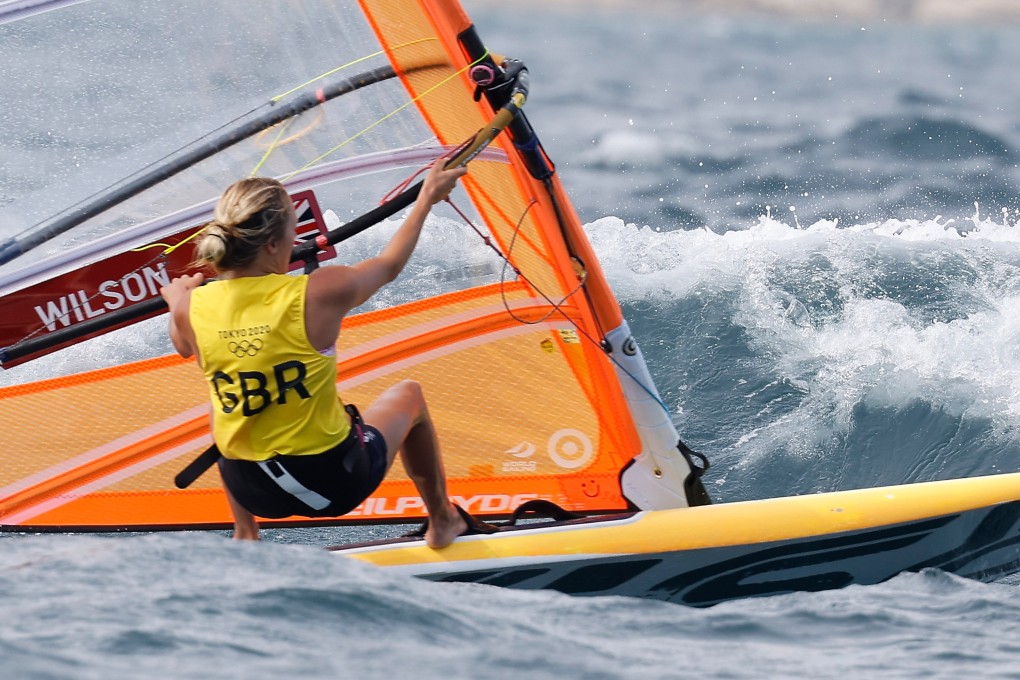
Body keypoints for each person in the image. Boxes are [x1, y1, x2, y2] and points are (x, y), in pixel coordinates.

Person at [160, 160, 470, 548]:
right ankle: (443, 520)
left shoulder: (192, 307)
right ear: (273, 244)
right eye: (294, 228)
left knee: (223, 388)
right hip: (334, 481)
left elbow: (183, 345)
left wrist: (177, 301)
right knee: (410, 395)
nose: (296, 238)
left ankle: (245, 532)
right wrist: (426, 197)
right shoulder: (318, 291)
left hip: (252, 488)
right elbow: (389, 265)